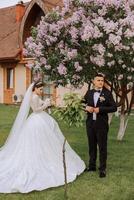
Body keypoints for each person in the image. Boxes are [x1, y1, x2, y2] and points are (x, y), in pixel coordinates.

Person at [0, 81, 85, 193]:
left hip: (39, 119)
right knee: (41, 139)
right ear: (34, 89)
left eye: (42, 90)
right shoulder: (34, 97)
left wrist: (47, 103)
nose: (41, 91)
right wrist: (46, 104)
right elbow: (36, 110)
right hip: (37, 119)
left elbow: (40, 106)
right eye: (40, 89)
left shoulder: (34, 96)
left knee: (46, 140)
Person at [84, 73, 117, 178]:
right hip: (90, 123)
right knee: (91, 145)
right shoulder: (89, 93)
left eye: (102, 80)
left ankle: (102, 169)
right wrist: (86, 107)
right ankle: (92, 166)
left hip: (101, 124)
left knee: (102, 147)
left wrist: (100, 109)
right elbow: (82, 103)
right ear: (94, 82)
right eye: (98, 80)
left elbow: (114, 107)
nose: (100, 82)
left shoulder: (107, 94)